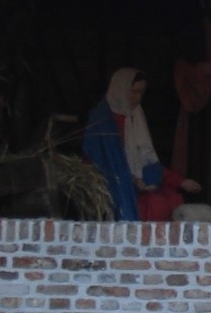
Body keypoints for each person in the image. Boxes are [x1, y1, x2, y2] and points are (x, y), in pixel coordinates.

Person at [83, 68, 200, 221]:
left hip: (138, 184)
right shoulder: (102, 119)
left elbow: (146, 160)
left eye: (141, 93)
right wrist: (132, 179)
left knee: (173, 199)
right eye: (134, 92)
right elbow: (99, 164)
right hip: (113, 186)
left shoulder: (136, 115)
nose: (138, 98)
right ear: (121, 89)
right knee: (155, 204)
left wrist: (181, 182)